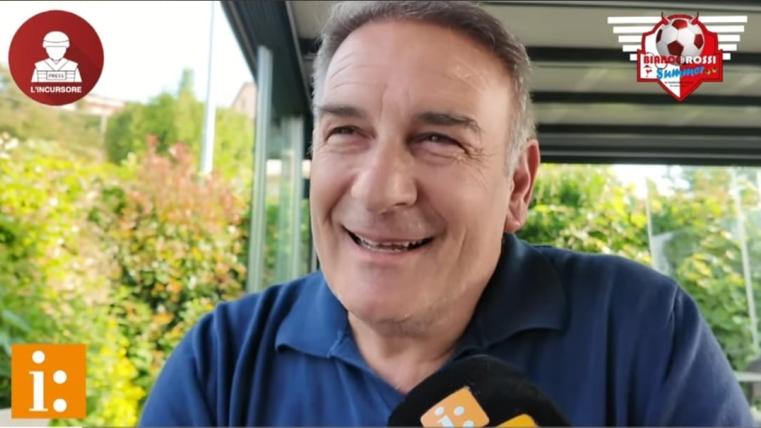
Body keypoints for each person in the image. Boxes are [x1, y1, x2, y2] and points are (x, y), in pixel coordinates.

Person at [140, 2, 753, 425]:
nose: (379, 192)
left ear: (517, 186)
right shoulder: (222, 363)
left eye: (439, 140)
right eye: (346, 131)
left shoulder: (643, 331)